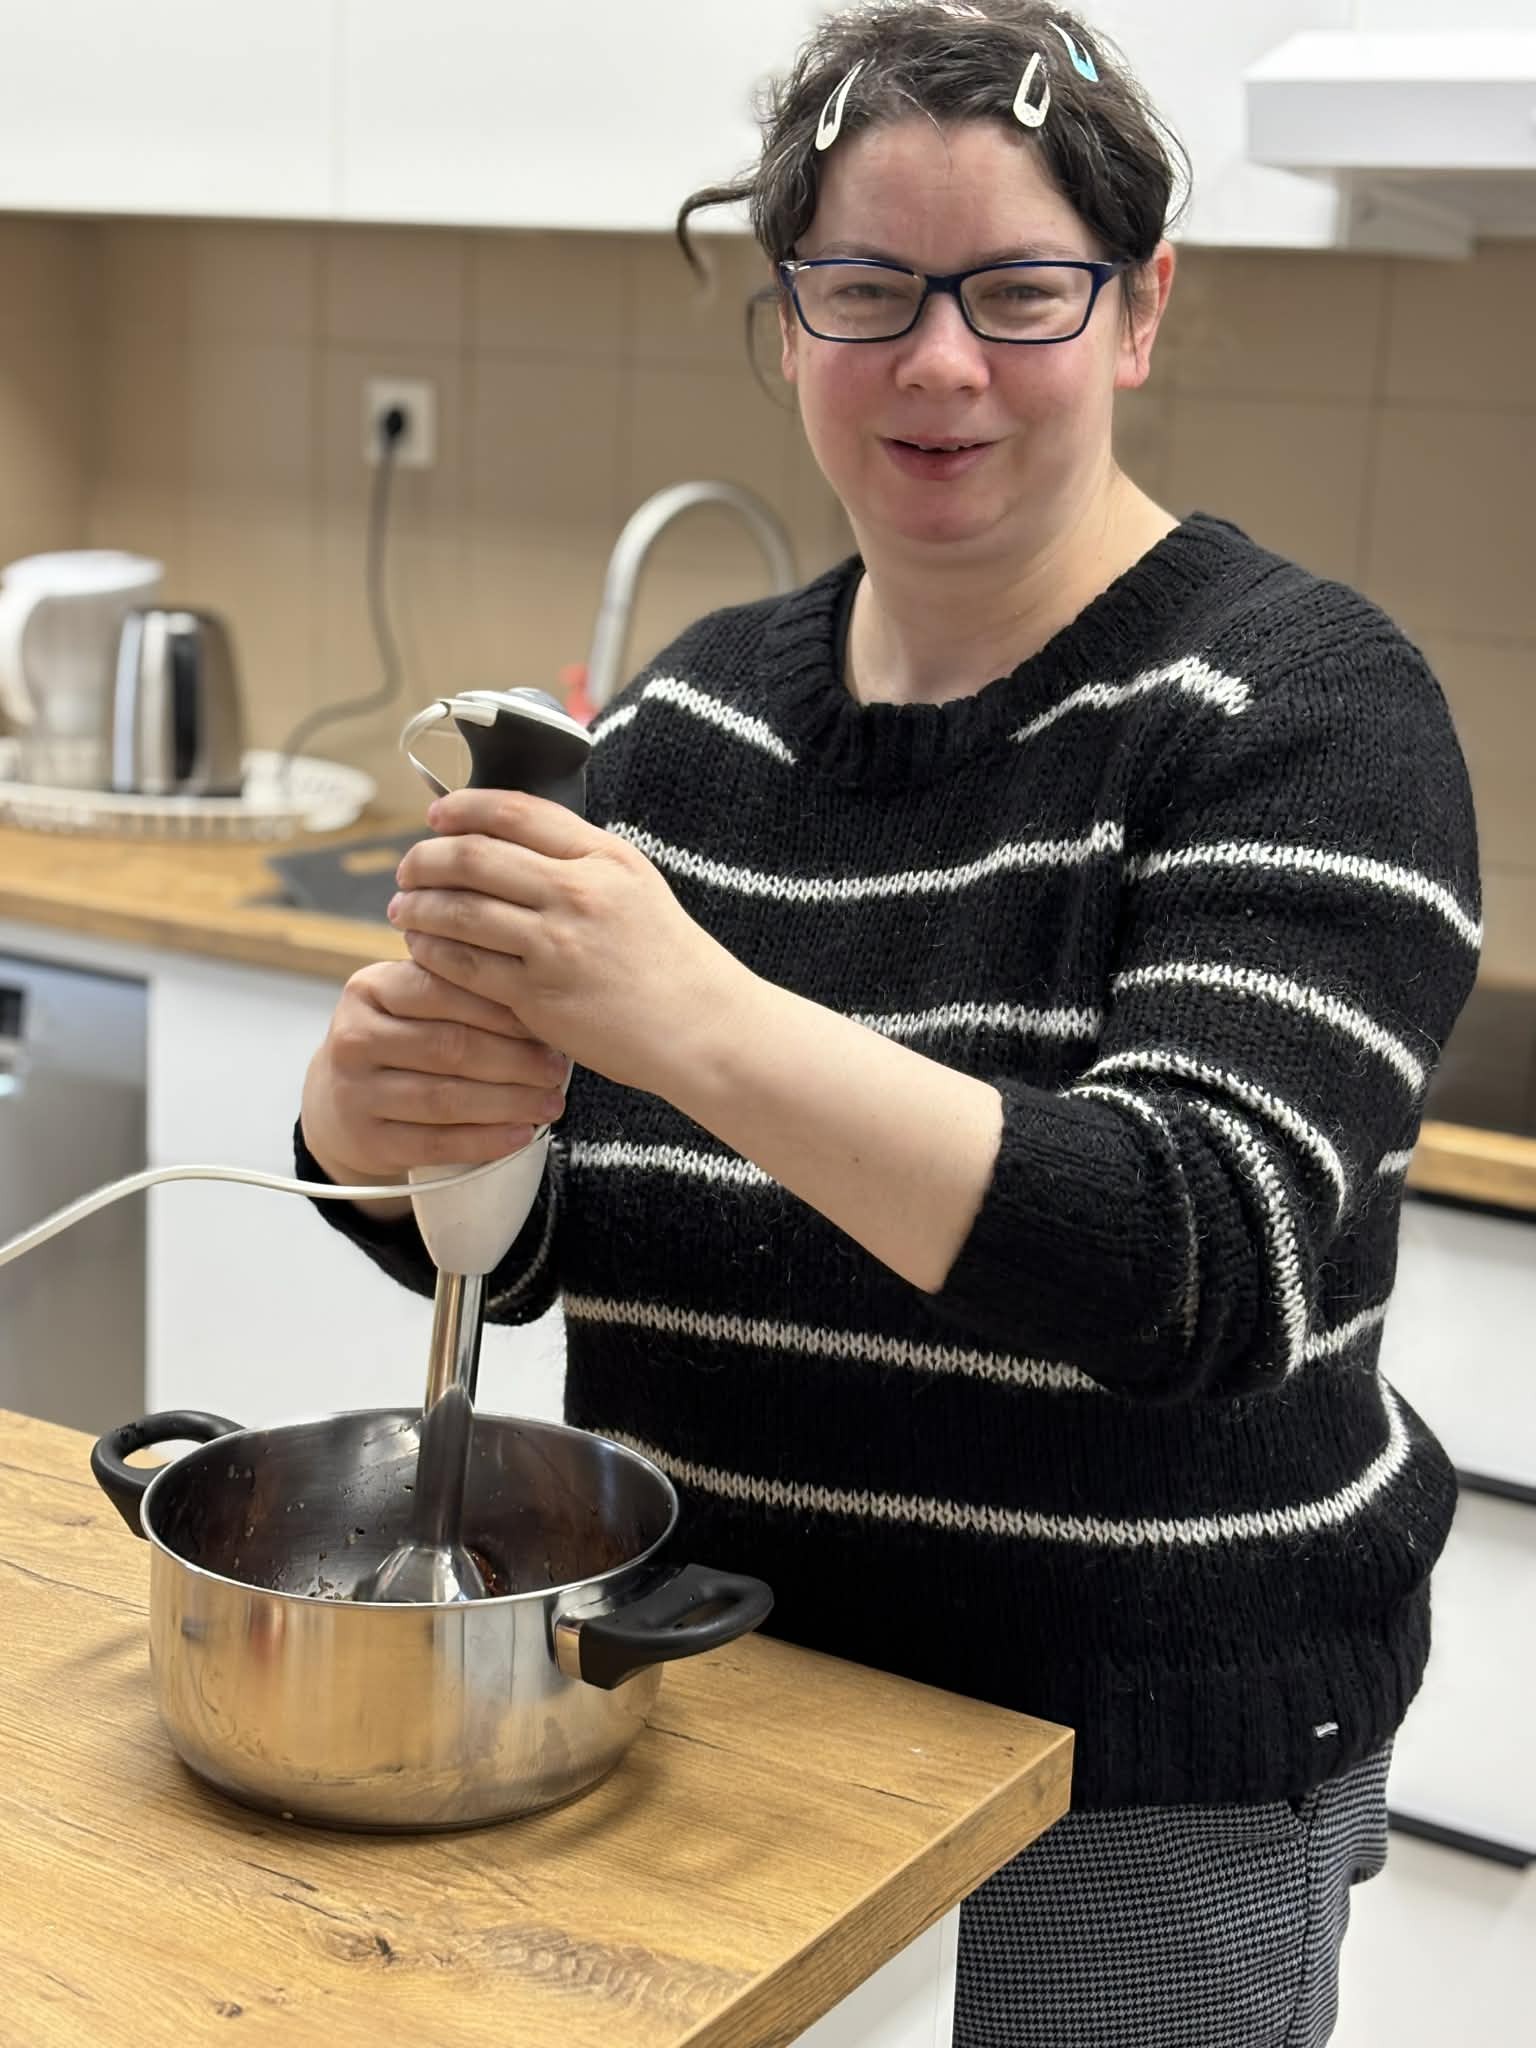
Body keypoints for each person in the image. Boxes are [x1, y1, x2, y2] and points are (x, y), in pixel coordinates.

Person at [296, 4, 1481, 2041]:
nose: (939, 362)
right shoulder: (690, 720)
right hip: (702, 1714)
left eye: (1018, 290)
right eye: (865, 288)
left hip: (1128, 1780)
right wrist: (375, 1131)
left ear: (1139, 309)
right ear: (788, 322)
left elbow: (1200, 1258)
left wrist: (695, 1012)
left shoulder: (1301, 708)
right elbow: (576, 1228)